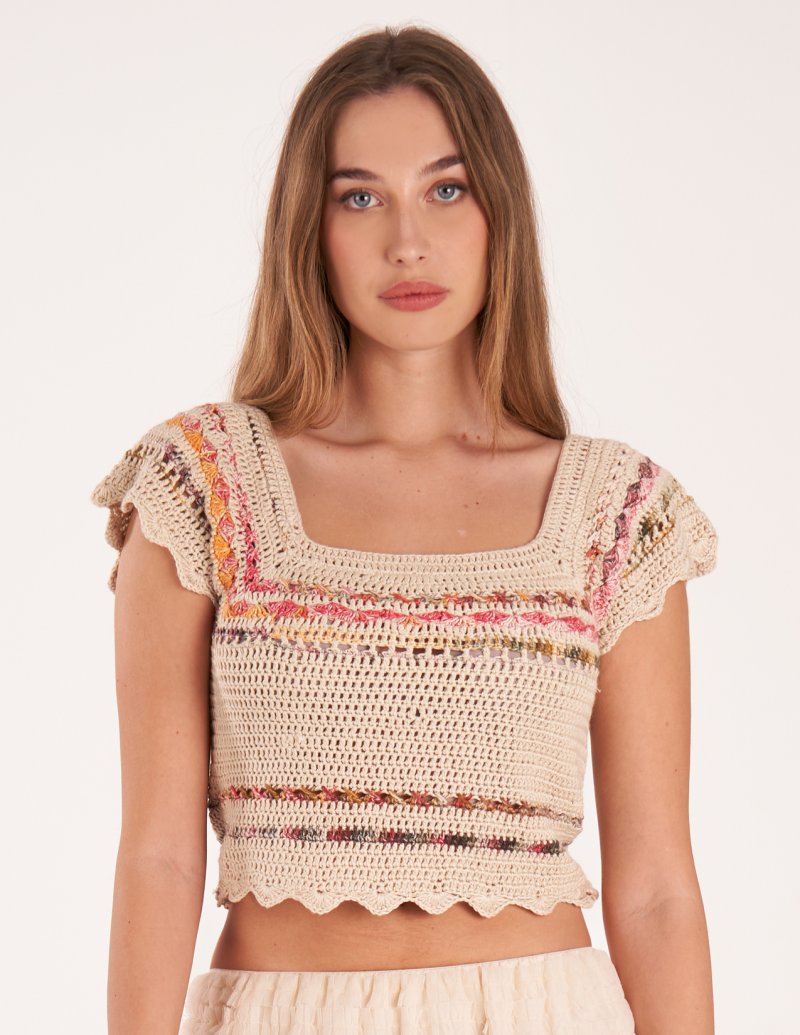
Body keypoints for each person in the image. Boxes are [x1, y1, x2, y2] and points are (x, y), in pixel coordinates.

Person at [90, 24, 718, 1035]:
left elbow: (655, 892)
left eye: (446, 188)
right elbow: (159, 854)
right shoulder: (204, 485)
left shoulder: (614, 516)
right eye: (359, 197)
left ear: (499, 211)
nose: (407, 242)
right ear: (309, 228)